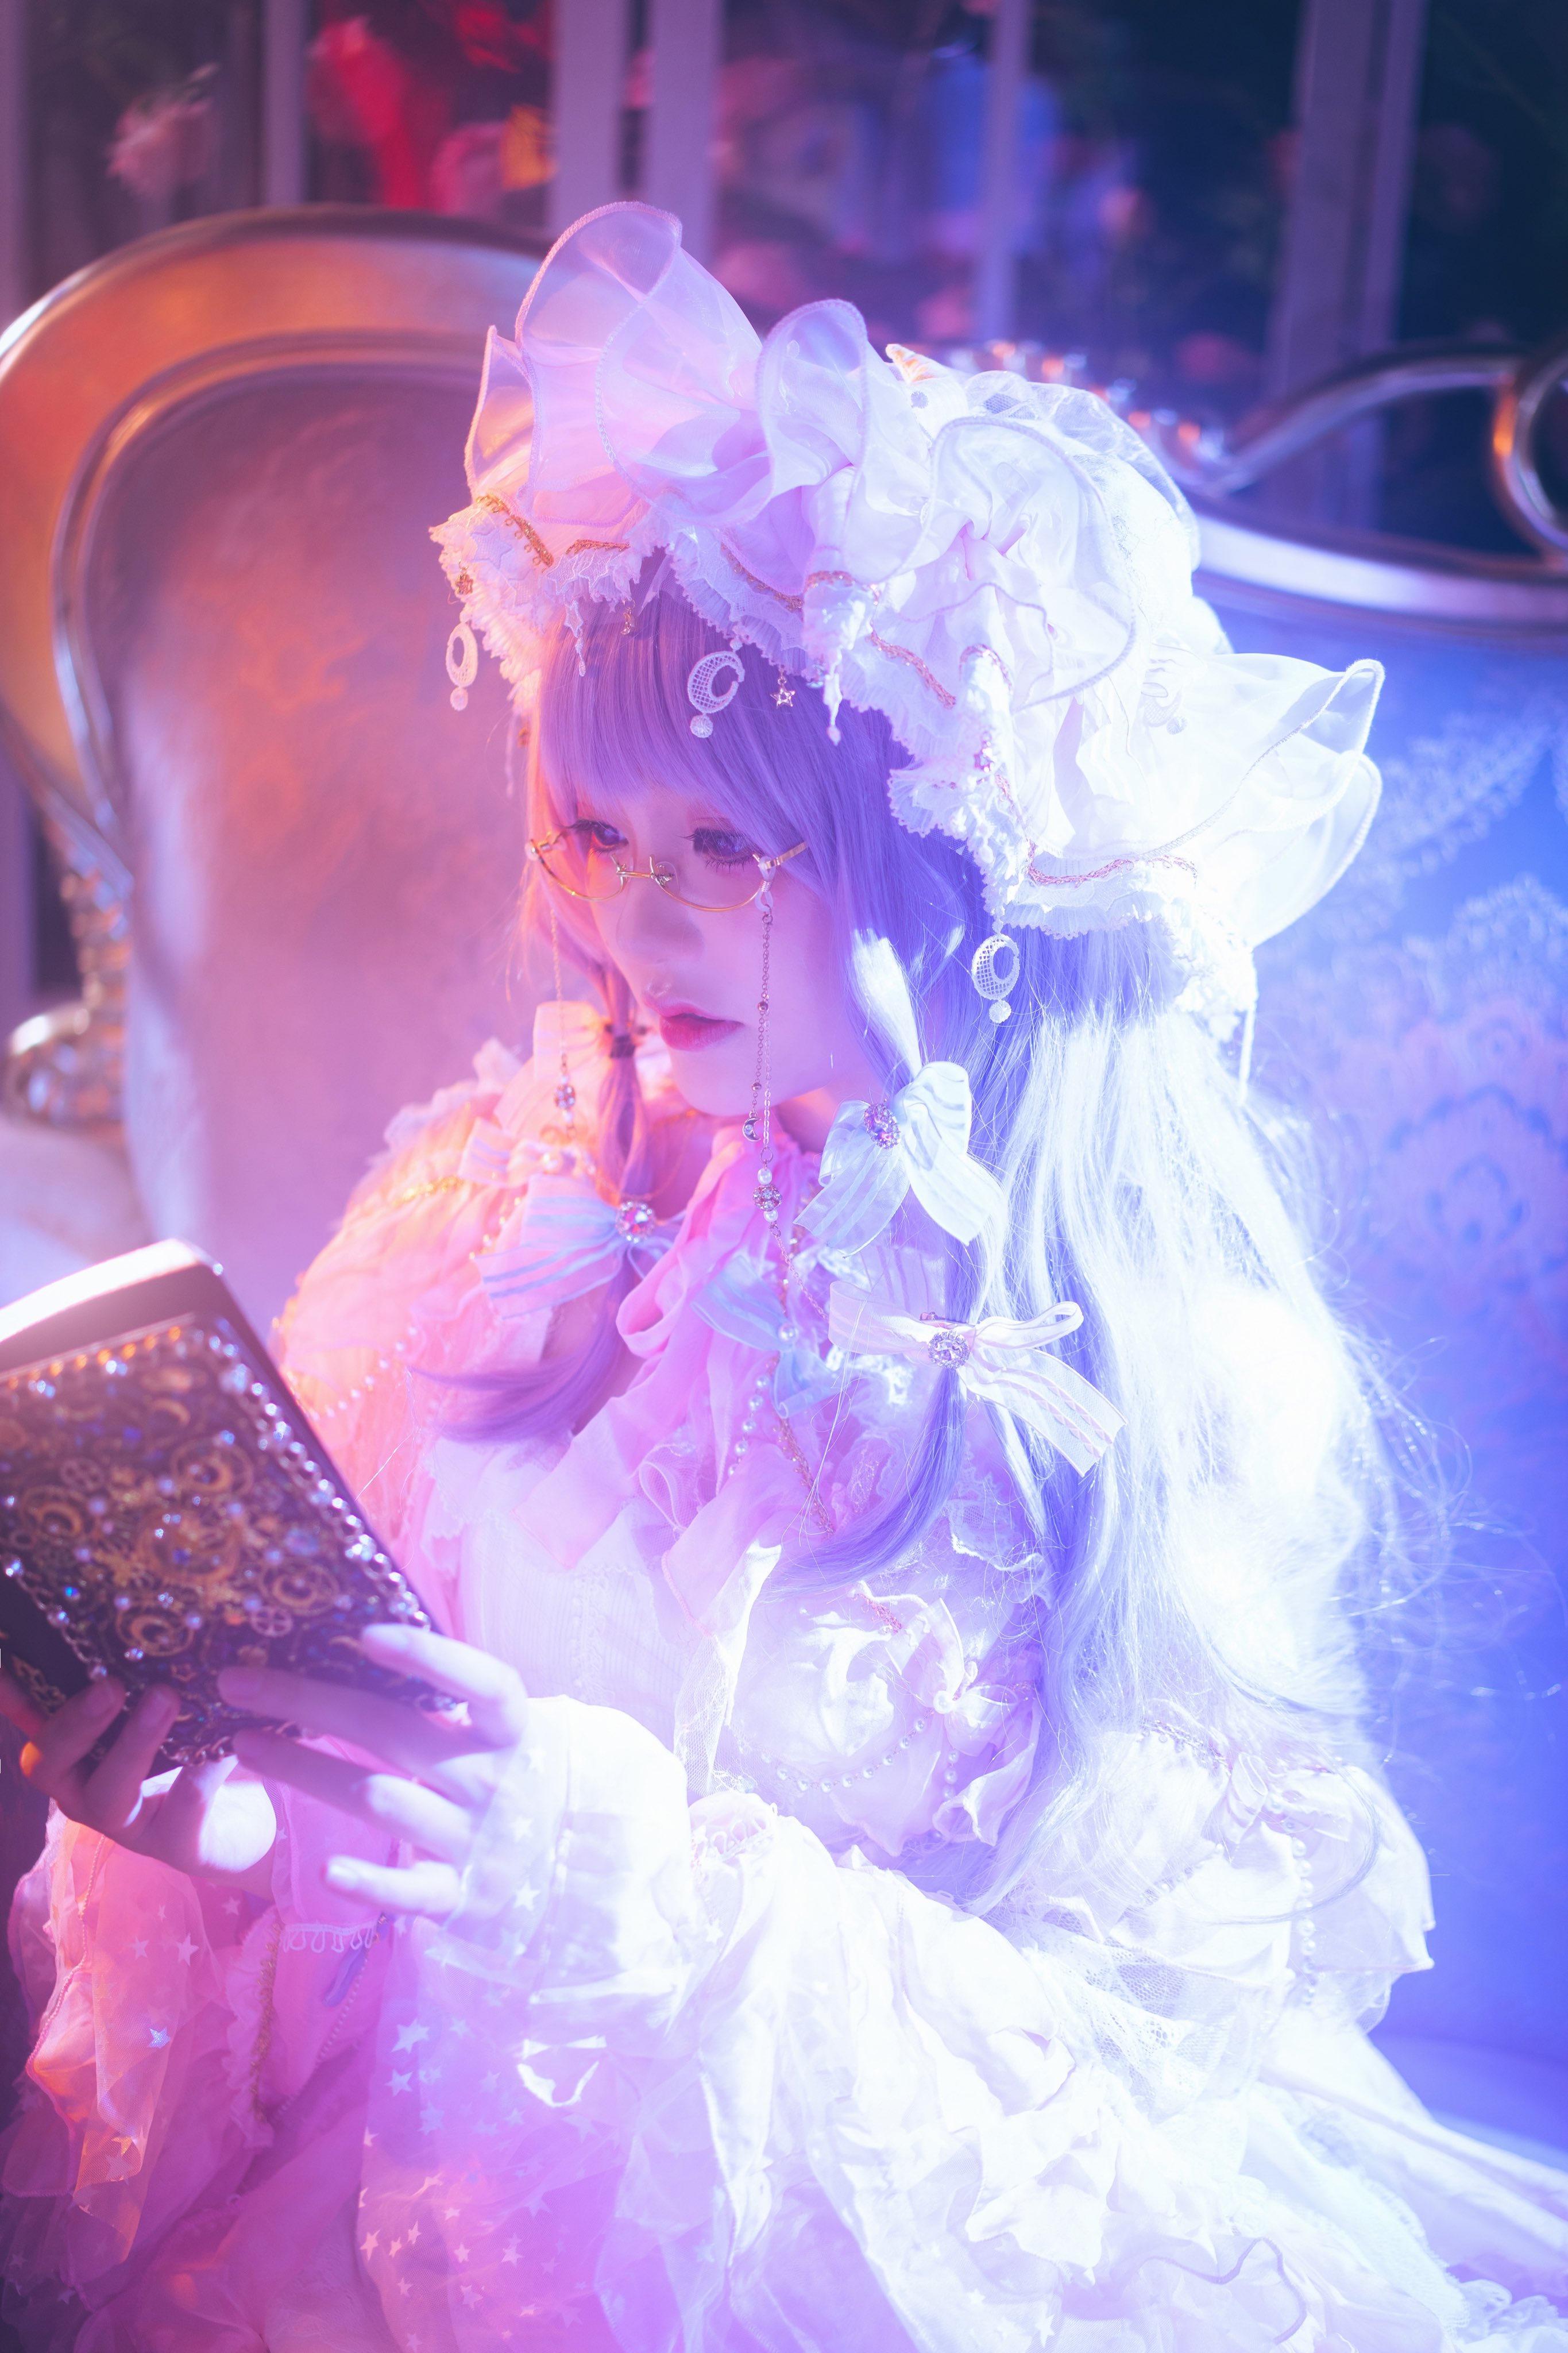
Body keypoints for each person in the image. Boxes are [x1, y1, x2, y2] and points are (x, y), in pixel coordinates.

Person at [2, 202, 1565, 2353]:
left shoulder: (1145, 1381)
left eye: (728, 851)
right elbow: (372, 1779)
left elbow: (1109, 2092)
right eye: (592, 834)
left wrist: (582, 1862)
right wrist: (252, 1846)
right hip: (389, 2183)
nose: (629, 930)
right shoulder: (494, 1195)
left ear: (956, 875)